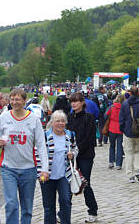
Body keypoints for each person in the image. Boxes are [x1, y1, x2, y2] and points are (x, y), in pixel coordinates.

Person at [0, 88, 49, 224]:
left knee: (27, 207)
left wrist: (45, 169)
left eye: (18, 99)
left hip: (28, 169)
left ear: (24, 101)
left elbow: (41, 145)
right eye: (12, 99)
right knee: (11, 204)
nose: (15, 102)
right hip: (8, 168)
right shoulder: (4, 117)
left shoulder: (33, 119)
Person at [37, 110, 78, 224]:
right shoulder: (45, 136)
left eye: (62, 121)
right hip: (47, 175)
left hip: (64, 175)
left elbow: (75, 148)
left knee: (66, 201)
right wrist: (41, 172)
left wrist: (73, 154)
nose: (60, 123)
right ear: (52, 122)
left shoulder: (70, 135)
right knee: (49, 206)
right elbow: (37, 154)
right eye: (57, 121)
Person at [67, 93, 98, 223]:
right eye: (72, 102)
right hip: (70, 156)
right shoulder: (69, 118)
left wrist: (77, 150)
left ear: (82, 103)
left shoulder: (88, 118)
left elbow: (89, 138)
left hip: (85, 155)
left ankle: (92, 211)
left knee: (85, 183)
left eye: (76, 102)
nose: (74, 104)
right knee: (68, 183)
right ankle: (63, 212)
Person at [119, 86, 139, 183]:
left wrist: (123, 129)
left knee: (129, 153)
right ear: (138, 93)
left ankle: (130, 174)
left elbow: (121, 119)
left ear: (130, 93)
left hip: (128, 132)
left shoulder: (124, 104)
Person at [106, 94, 125, 170]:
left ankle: (111, 161)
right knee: (120, 146)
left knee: (112, 145)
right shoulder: (123, 108)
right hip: (120, 129)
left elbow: (106, 115)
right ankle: (118, 164)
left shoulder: (112, 107)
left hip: (112, 128)